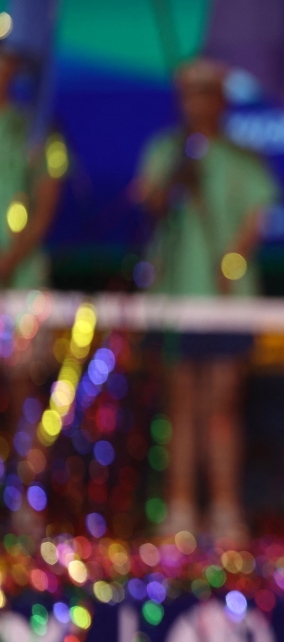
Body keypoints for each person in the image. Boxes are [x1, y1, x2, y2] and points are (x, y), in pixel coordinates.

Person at [134, 58, 279, 543]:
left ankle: (223, 506)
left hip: (225, 302)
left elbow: (254, 224)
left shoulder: (243, 158)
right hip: (174, 296)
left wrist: (230, 259)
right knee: (180, 405)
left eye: (206, 93)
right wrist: (177, 176)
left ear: (221, 100)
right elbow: (147, 201)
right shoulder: (167, 151)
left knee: (221, 404)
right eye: (189, 94)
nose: (197, 103)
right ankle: (178, 507)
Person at [0, 45, 65, 536]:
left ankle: (25, 503)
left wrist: (9, 262)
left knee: (25, 396)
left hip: (21, 290)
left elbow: (44, 208)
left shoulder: (35, 131)